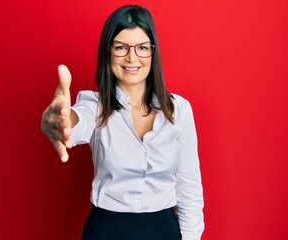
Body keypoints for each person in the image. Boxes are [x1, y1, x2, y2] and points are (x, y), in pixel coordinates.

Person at [41, 5, 204, 240]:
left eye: (141, 48)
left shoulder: (179, 110)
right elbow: (75, 121)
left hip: (164, 230)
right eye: (120, 47)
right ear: (108, 52)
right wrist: (58, 119)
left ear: (152, 52)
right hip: (107, 230)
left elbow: (189, 189)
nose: (132, 57)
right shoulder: (95, 106)